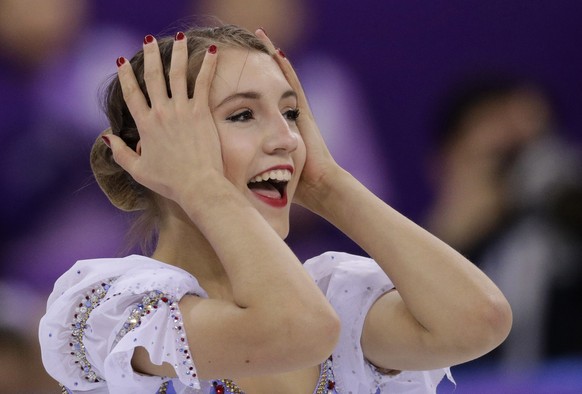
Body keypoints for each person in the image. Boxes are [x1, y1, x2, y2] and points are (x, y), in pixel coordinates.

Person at [39, 25, 512, 393]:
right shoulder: (109, 309)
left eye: (290, 114)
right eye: (242, 114)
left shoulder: (330, 301)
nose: (287, 139)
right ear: (160, 151)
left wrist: (327, 184)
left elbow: (480, 322)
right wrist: (199, 183)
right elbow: (295, 331)